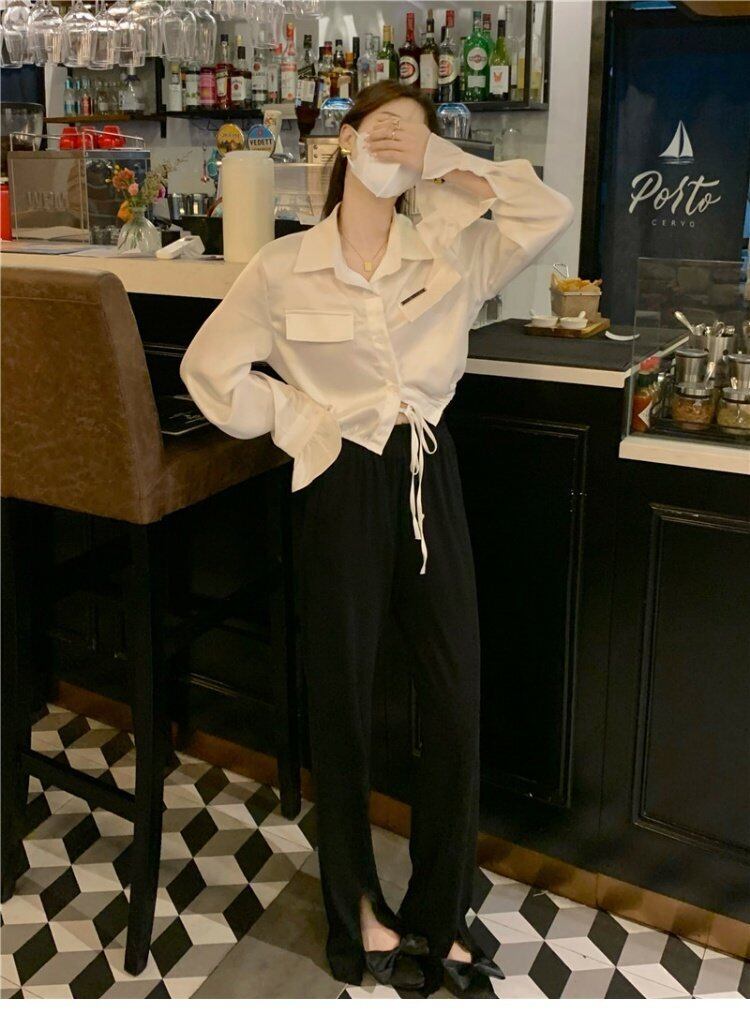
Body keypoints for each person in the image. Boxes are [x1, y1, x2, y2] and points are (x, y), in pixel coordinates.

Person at [179, 81, 574, 997]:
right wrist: (302, 420)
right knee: (344, 704)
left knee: (454, 695)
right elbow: (210, 369)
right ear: (346, 140)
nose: (397, 146)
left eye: (414, 138)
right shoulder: (286, 266)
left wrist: (443, 161)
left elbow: (544, 210)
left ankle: (442, 912)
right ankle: (357, 906)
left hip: (429, 472)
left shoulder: (452, 249)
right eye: (383, 130)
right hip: (340, 477)